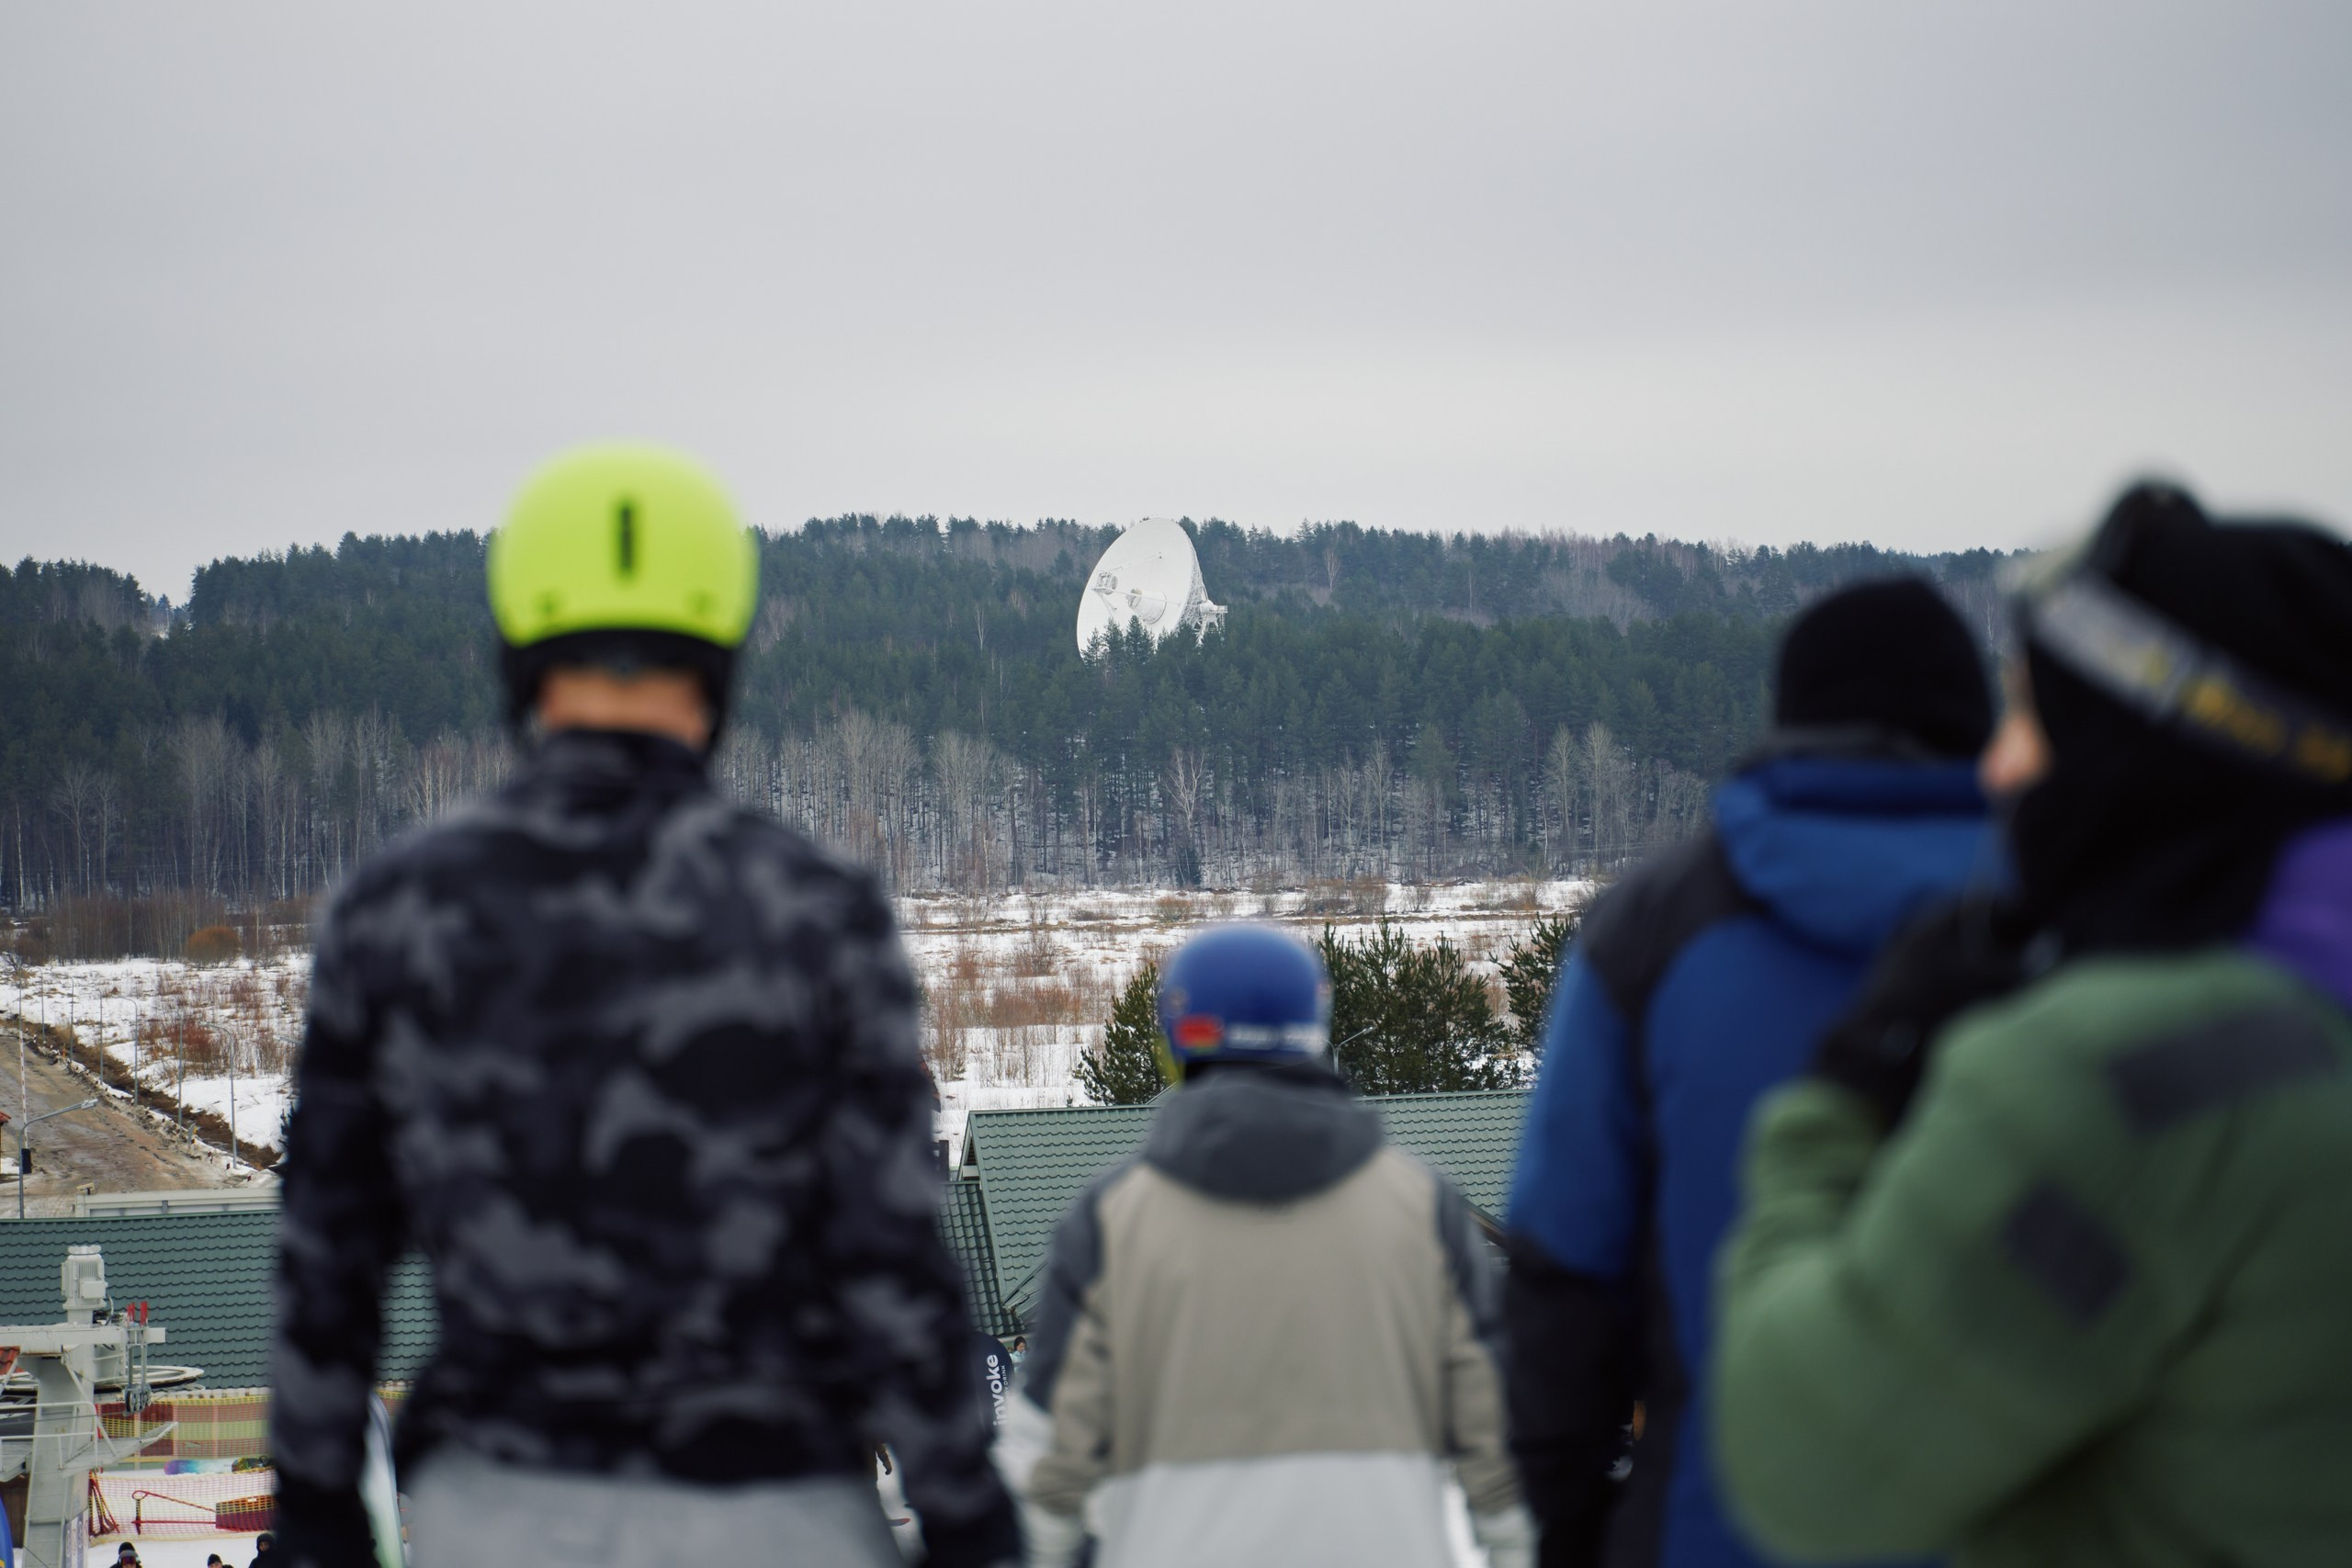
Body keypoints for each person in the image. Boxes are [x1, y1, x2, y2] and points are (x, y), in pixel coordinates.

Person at [269, 446, 1019, 1568]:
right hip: (777, 1509)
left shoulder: (397, 913)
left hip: (504, 1510)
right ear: (720, 650)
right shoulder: (814, 913)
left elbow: (329, 1255)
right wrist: (968, 1520)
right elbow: (892, 1258)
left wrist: (321, 1518)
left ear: (520, 649)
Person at [1713, 483, 2352, 1564]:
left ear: (2143, 749)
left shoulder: (2133, 1083)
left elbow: (1807, 1467)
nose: (1997, 767)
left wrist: (1844, 1093)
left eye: (2033, 716)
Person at [1501, 578, 1996, 1568]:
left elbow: (1564, 1262)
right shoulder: (2083, 918)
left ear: (1789, 717)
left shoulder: (1653, 928)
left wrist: (1569, 1519)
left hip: (1713, 1526)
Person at [997, 923, 1532, 1568]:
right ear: (1313, 1029)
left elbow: (1046, 1468)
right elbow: (1502, 1446)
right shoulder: (1423, 1208)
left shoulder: (1112, 1220)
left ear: (1177, 1041)